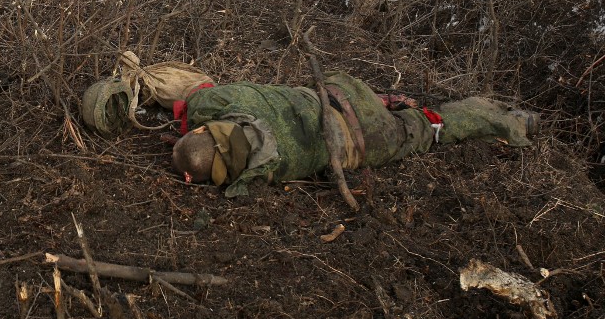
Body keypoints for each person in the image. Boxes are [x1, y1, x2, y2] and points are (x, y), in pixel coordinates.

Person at [170, 71, 538, 197]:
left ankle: (513, 122)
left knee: (429, 129)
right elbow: (199, 93)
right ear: (203, 127)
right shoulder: (217, 102)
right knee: (328, 96)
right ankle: (387, 101)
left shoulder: (249, 180)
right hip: (342, 93)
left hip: (368, 142)